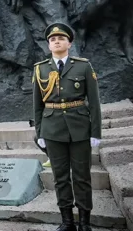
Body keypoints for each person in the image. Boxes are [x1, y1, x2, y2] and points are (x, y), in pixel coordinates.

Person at [32, 23, 101, 231]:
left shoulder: (83, 66)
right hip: (52, 129)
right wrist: (40, 132)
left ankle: (84, 222)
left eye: (61, 38)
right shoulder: (40, 68)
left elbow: (95, 102)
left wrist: (95, 132)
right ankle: (67, 221)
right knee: (60, 178)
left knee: (82, 177)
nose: (56, 41)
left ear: (69, 43)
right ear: (49, 45)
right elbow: (37, 104)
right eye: (52, 40)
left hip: (80, 128)